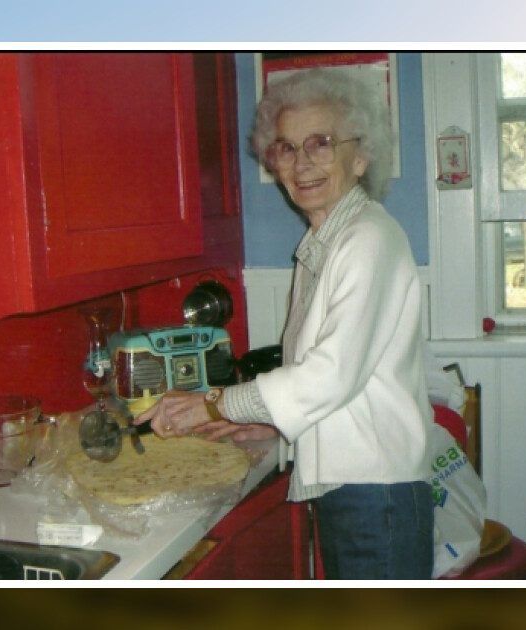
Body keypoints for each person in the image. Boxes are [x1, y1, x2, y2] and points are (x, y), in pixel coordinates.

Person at [136, 68, 440, 579]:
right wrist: (267, 423)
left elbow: (329, 375)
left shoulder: (367, 239)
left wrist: (213, 403)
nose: (302, 164)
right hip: (358, 489)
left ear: (360, 156)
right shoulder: (325, 244)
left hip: (376, 497)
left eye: (321, 143)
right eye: (285, 148)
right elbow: (345, 390)